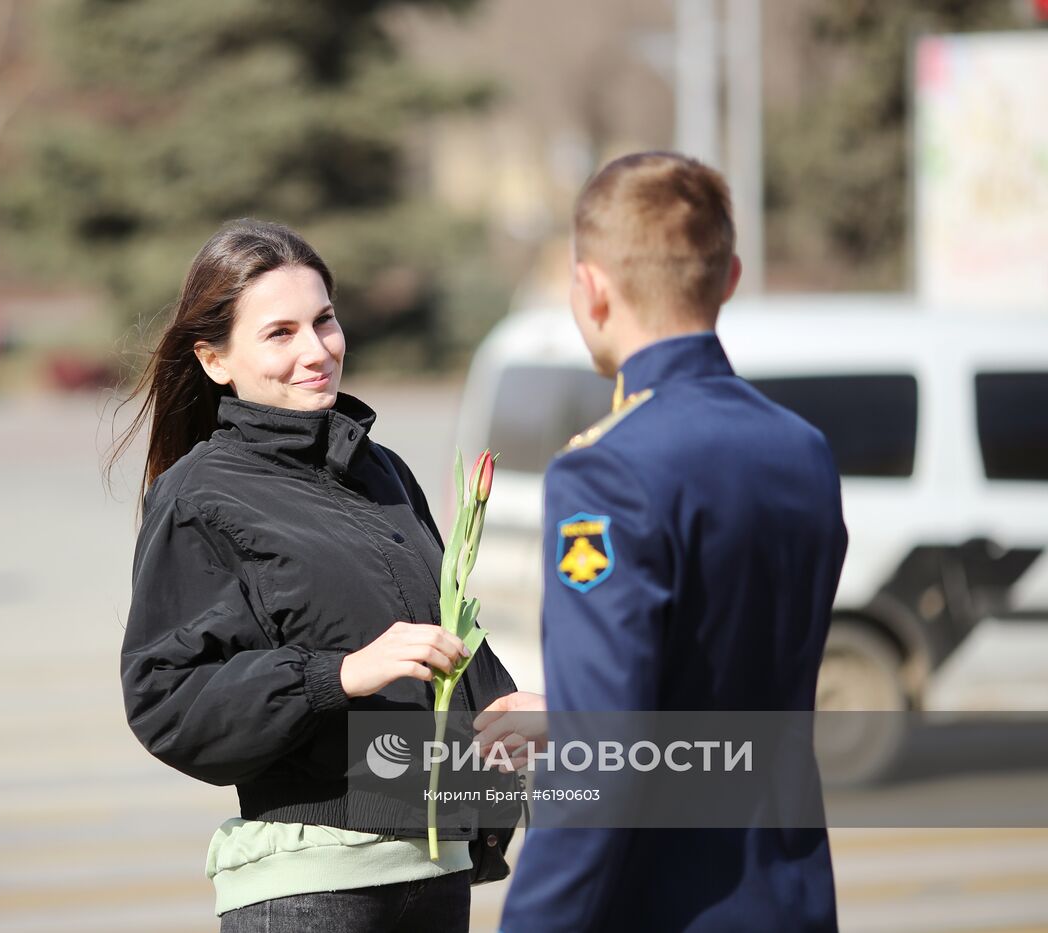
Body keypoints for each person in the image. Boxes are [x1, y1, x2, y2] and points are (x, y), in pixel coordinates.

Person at [116, 219, 523, 932]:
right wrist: (337, 674)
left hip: (435, 876)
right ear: (214, 359)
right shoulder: (198, 494)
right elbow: (167, 699)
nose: (317, 349)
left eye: (325, 320)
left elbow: (444, 634)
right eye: (281, 333)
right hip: (314, 891)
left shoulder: (381, 469)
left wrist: (507, 708)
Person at [492, 152, 847, 931]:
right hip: (791, 899)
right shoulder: (802, 448)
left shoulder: (607, 469)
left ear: (589, 289)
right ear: (730, 277)